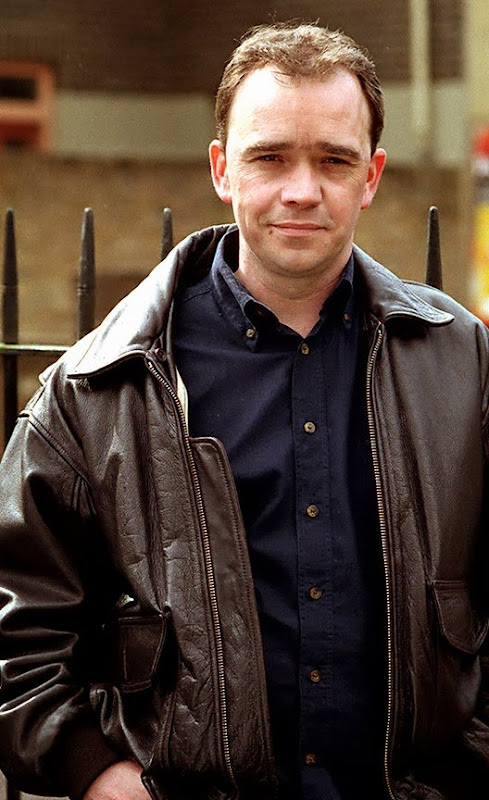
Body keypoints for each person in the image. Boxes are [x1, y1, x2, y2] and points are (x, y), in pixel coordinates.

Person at [0, 19, 488, 800]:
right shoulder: (99, 387)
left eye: (333, 160)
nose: (302, 190)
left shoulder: (462, 364)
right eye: (269, 157)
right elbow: (17, 625)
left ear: (371, 176)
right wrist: (94, 771)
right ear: (222, 168)